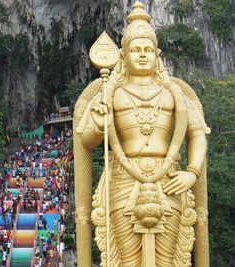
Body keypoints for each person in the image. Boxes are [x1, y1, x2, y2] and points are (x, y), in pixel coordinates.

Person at [74, 2, 209, 266]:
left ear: (157, 55)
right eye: (136, 49)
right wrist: (100, 124)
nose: (143, 55)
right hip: (123, 180)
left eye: (148, 49)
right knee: (126, 259)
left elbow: (197, 133)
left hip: (168, 178)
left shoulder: (175, 92)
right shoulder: (108, 93)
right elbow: (86, 142)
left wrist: (191, 172)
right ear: (123, 56)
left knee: (169, 259)